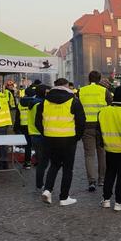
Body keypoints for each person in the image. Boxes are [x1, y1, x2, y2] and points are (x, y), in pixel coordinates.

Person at [36, 78, 86, 206]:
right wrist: (77, 137)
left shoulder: (44, 102)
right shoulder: (73, 101)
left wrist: (45, 132)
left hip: (50, 138)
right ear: (66, 86)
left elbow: (37, 122)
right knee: (67, 168)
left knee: (54, 165)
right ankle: (64, 197)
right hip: (68, 138)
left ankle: (47, 190)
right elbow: (81, 121)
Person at [97, 86, 121, 211]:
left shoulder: (103, 111)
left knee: (110, 173)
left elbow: (99, 131)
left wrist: (102, 143)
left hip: (109, 149)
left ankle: (106, 199)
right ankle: (119, 202)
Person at [78, 70, 111, 192]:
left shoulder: (81, 91)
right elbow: (110, 106)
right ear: (99, 79)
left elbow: (78, 108)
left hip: (86, 126)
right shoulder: (104, 91)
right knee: (101, 152)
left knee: (89, 155)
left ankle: (91, 181)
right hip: (101, 126)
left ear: (89, 79)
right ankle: (101, 179)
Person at [21, 84, 49, 191]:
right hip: (41, 134)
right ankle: (40, 184)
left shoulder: (32, 102)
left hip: (33, 133)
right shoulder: (41, 104)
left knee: (40, 160)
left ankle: (39, 183)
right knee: (43, 162)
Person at [15, 83, 33, 169]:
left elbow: (17, 117)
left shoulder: (20, 103)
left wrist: (16, 128)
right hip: (33, 126)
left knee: (28, 145)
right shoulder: (35, 102)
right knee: (38, 144)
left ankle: (27, 163)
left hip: (23, 126)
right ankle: (39, 161)